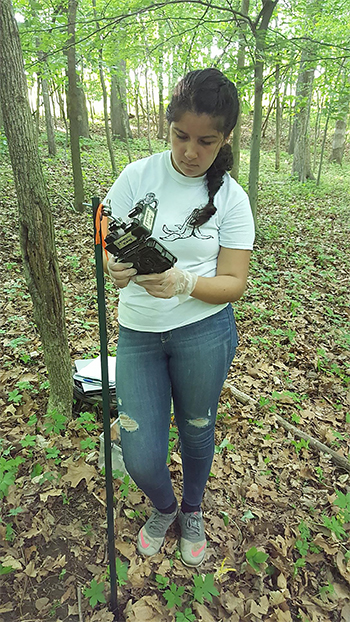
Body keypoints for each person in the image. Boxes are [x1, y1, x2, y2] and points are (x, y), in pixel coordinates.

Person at [103, 68, 255, 567]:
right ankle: (164, 506)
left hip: (204, 332)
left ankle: (192, 509)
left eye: (206, 141)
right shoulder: (137, 176)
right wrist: (113, 263)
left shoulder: (231, 198)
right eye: (180, 136)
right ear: (167, 126)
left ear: (225, 138)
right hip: (139, 332)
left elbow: (234, 283)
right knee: (141, 452)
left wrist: (186, 283)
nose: (190, 152)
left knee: (195, 426)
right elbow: (106, 232)